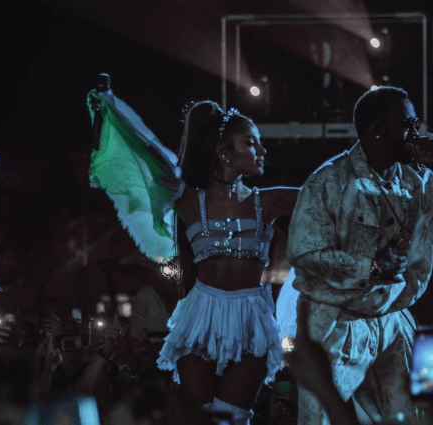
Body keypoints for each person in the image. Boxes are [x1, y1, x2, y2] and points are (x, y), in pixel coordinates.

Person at [88, 88, 298, 425]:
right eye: (251, 143)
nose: (262, 150)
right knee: (196, 417)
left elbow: (328, 194)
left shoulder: (269, 201)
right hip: (202, 311)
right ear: (223, 152)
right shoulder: (187, 199)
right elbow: (149, 153)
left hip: (252, 315)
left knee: (233, 417)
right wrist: (112, 109)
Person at [286, 86, 433, 425]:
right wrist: (372, 268)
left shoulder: (419, 181)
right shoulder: (330, 181)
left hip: (393, 316)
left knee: (411, 416)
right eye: (406, 124)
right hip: (337, 320)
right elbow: (306, 254)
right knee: (319, 418)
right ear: (376, 131)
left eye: (416, 123)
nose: (416, 133)